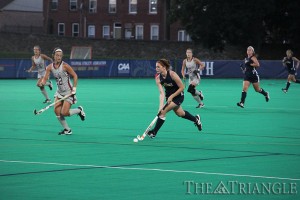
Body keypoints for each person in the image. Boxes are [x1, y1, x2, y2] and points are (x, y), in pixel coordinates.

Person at [147, 58, 202, 139]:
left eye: (158, 67)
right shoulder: (158, 78)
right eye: (156, 67)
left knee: (163, 113)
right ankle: (196, 119)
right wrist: (160, 106)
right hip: (168, 97)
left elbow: (182, 87)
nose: (156, 69)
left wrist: (172, 97)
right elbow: (161, 93)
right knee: (180, 113)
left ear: (164, 67)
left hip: (178, 96)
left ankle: (154, 132)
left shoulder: (172, 74)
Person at [41, 47, 86, 135]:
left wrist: (74, 89)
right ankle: (67, 130)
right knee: (57, 111)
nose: (59, 57)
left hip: (69, 92)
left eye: (60, 56)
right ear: (53, 56)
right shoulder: (50, 67)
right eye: (57, 55)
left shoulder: (65, 66)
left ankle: (79, 110)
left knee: (64, 113)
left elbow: (75, 76)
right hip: (59, 92)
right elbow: (45, 78)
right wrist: (43, 82)